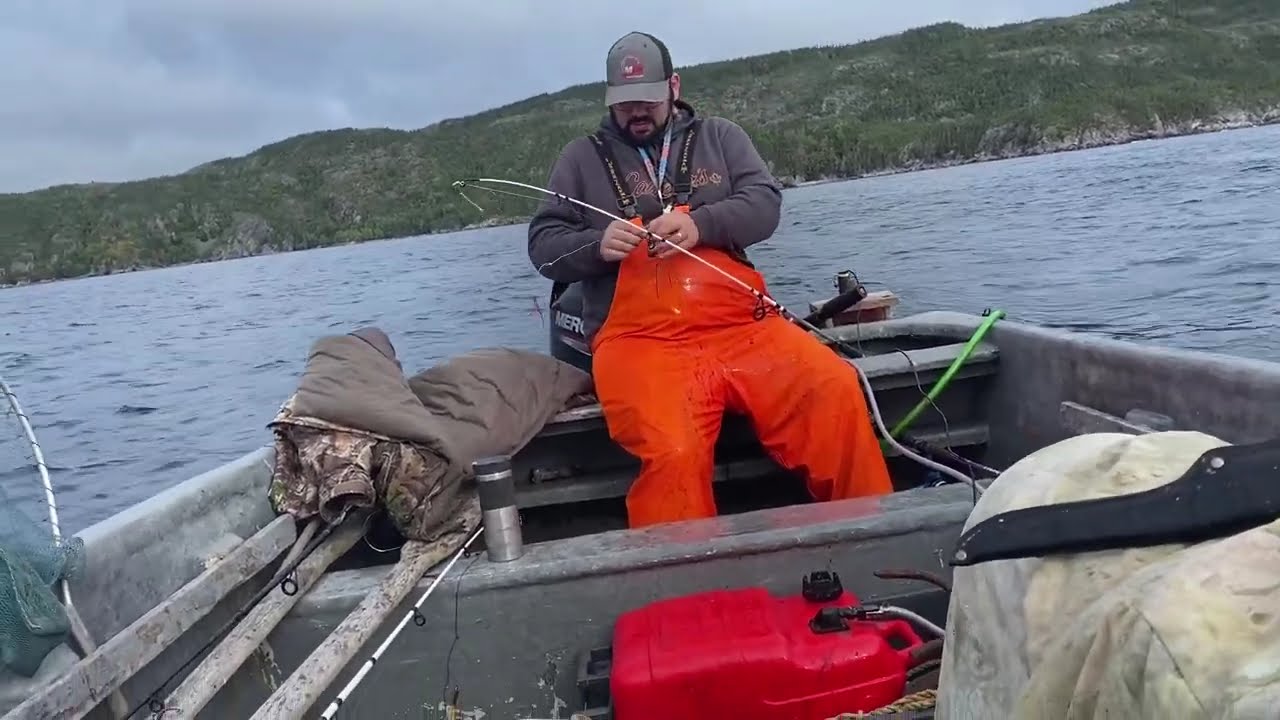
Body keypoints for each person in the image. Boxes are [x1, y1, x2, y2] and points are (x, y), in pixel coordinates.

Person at [527, 31, 893, 528]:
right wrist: (596, 246)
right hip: (639, 342)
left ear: (673, 87)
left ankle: (873, 535)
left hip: (743, 326)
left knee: (834, 390)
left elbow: (764, 204)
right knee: (673, 449)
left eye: (649, 101)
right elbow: (543, 245)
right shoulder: (580, 158)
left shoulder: (720, 137)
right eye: (625, 103)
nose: (637, 112)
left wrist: (703, 225)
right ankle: (684, 583)